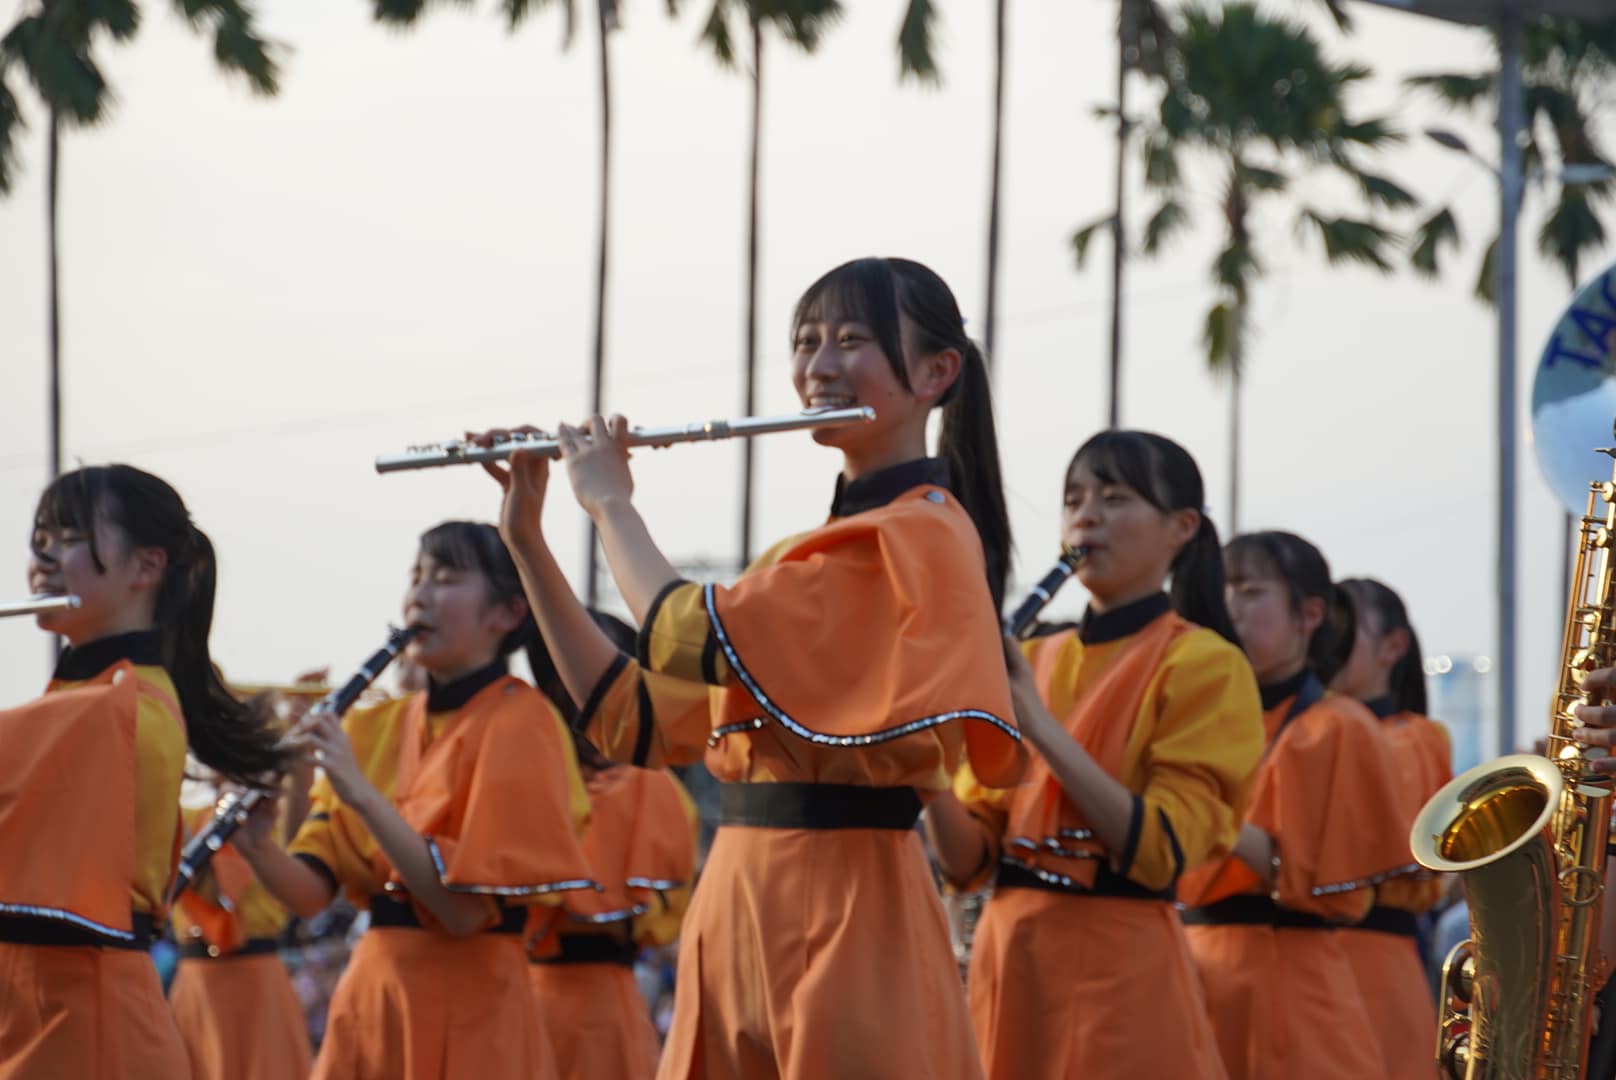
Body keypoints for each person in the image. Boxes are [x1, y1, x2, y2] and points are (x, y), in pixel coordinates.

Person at [485, 256, 1026, 1079]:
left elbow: (678, 633)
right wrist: (528, 541)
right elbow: (633, 717)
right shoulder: (806, 556)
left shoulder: (922, 536)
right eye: (806, 342)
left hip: (848, 901)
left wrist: (609, 503)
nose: (818, 366)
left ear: (936, 372)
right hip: (736, 891)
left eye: (852, 340)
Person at [925, 430, 1264, 1079]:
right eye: (1075, 499)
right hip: (1011, 959)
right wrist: (919, 762)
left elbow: (1161, 847)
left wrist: (1039, 725)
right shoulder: (1041, 657)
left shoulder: (1206, 664)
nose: (1086, 515)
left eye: (1114, 498)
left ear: (1181, 527)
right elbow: (970, 861)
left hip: (1119, 966)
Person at [232, 521, 596, 1080]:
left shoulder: (524, 723)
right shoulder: (375, 724)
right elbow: (308, 896)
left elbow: (460, 911)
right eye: (415, 577)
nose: (419, 595)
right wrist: (257, 845)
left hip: (473, 1004)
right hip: (372, 998)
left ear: (507, 614)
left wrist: (360, 791)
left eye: (445, 578)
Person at [0, 464, 286, 1077]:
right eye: (41, 540)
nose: (44, 558)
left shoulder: (124, 705)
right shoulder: (88, 697)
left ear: (146, 567)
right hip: (50, 1017)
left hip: (86, 1031)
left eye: (70, 537)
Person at [1179, 530, 1411, 1080]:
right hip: (1190, 971)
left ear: (1311, 614)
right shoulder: (1204, 716)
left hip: (1287, 979)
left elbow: (1319, 880)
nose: (1232, 607)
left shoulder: (1339, 724)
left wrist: (1191, 808)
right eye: (1227, 589)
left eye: (1252, 591)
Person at [525, 612, 699, 1080]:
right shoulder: (522, 771)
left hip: (599, 1011)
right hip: (508, 997)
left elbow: (648, 924)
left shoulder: (655, 790)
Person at [1331, 576, 1451, 1079]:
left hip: (1373, 966)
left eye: (1344, 631)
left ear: (1393, 647)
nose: (1327, 645)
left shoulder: (1417, 737)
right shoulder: (1309, 728)